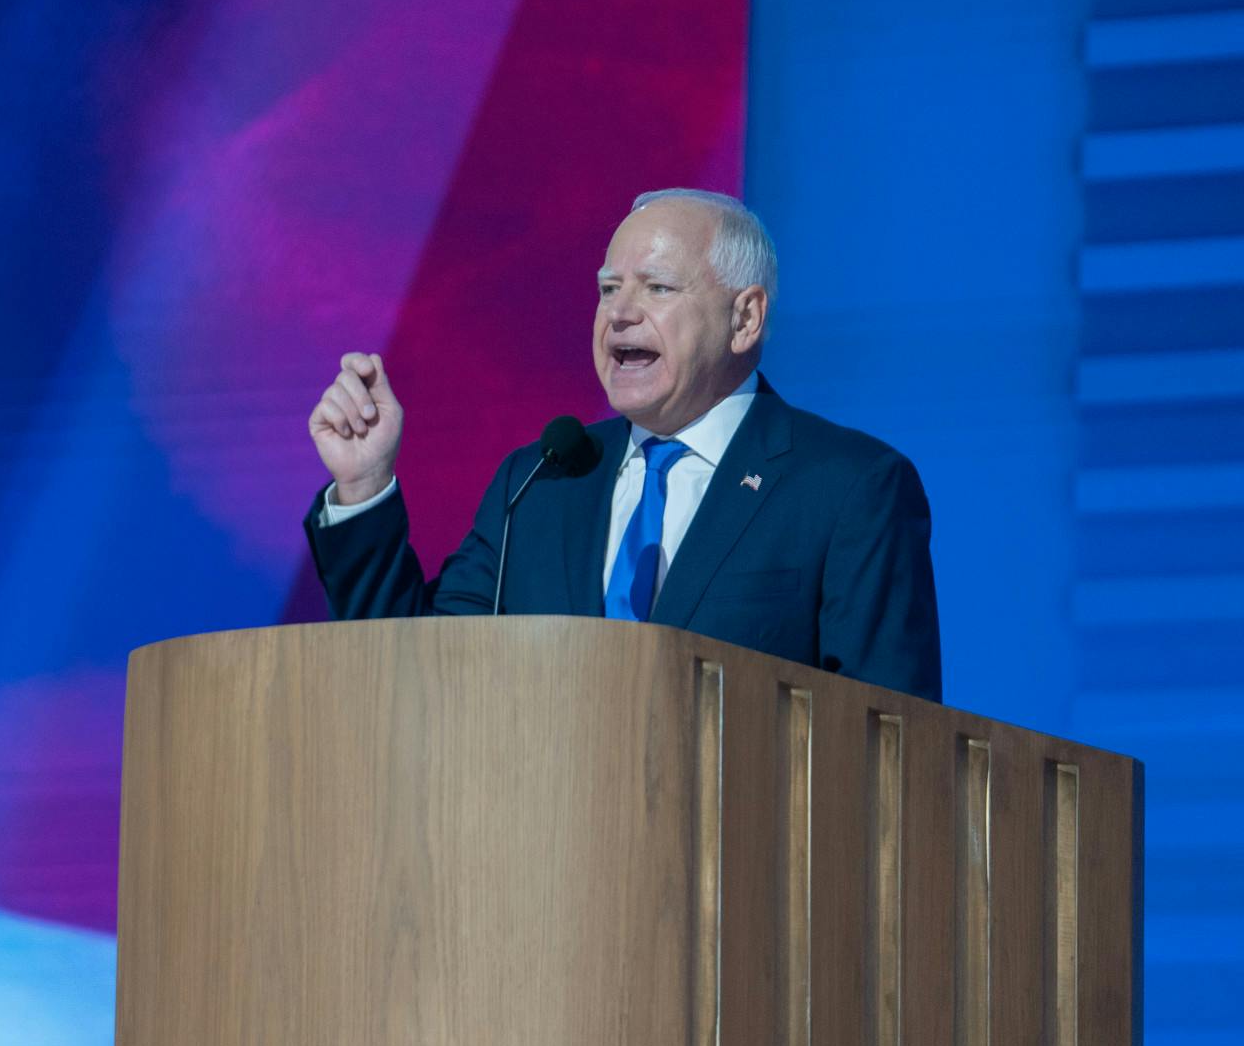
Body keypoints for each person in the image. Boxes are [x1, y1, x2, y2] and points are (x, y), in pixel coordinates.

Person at [301, 188, 942, 702]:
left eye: (657, 288)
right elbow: (417, 672)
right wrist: (363, 486)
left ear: (744, 319)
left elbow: (889, 736)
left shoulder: (848, 487)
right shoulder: (542, 481)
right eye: (609, 289)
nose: (620, 314)